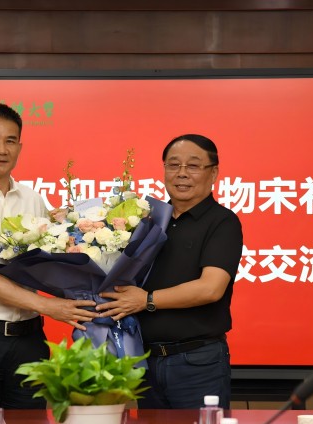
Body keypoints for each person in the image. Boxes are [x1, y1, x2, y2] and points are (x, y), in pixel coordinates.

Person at [0, 103, 98, 410]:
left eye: (10, 141)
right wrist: (49, 306)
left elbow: (47, 260)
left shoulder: (32, 199)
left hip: (29, 340)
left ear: (19, 147)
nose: (1, 149)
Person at [98, 134, 243, 409]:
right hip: (145, 359)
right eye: (174, 165)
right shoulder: (147, 221)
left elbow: (210, 288)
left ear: (213, 173)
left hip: (197, 362)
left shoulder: (222, 222)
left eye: (193, 166)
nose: (182, 173)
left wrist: (146, 300)